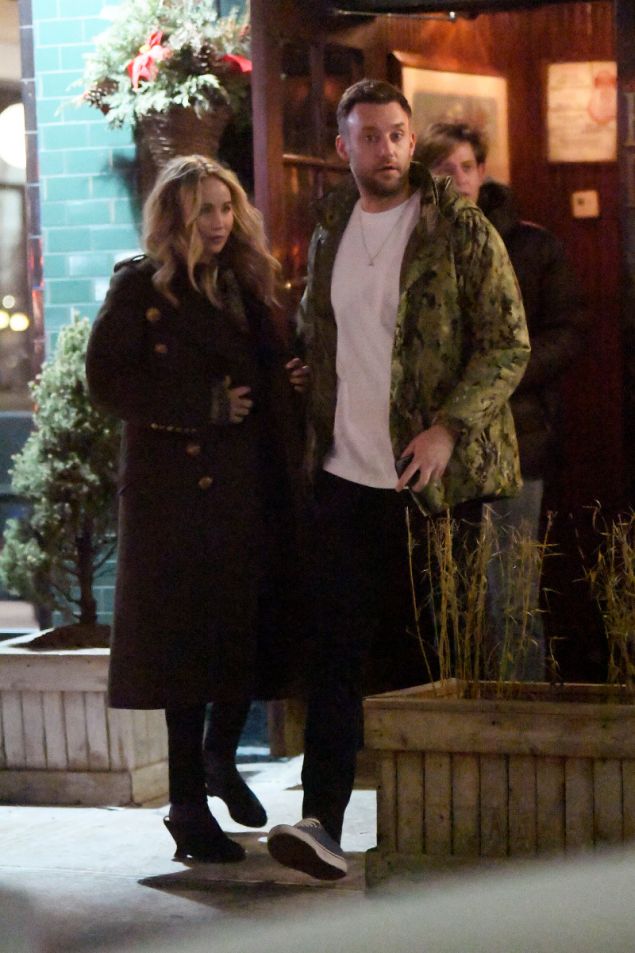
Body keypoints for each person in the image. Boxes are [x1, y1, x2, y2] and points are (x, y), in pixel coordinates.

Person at [266, 79, 530, 881]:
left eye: (394, 134)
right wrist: (309, 370)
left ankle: (452, 832)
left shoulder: (456, 226)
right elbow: (324, 326)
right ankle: (322, 821)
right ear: (342, 146)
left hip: (431, 479)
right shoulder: (331, 226)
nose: (383, 149)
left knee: (436, 652)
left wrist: (449, 426)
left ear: (411, 141)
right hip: (343, 471)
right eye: (367, 136)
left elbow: (508, 344)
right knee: (335, 652)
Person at [86, 155, 304, 863]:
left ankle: (219, 757)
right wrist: (200, 406)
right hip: (177, 497)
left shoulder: (245, 279)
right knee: (185, 655)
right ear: (174, 217)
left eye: (226, 207)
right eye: (203, 209)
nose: (218, 222)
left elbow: (259, 369)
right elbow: (106, 381)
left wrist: (288, 378)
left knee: (244, 633)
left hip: (248, 485)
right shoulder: (140, 286)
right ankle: (186, 804)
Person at [417, 121, 587, 679]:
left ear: (483, 171)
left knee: (511, 593)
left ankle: (520, 713)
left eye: (467, 167)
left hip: (517, 434)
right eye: (445, 169)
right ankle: (461, 710)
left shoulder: (531, 246)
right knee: (450, 592)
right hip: (434, 441)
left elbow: (567, 331)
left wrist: (499, 378)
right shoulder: (417, 243)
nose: (459, 178)